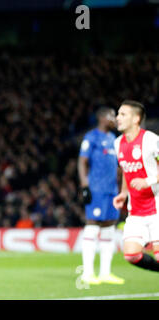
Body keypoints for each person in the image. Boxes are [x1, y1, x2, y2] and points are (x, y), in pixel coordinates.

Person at [78, 107, 125, 285]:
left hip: (111, 190)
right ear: (103, 118)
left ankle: (105, 273)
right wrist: (84, 186)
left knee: (108, 228)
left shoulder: (113, 139)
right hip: (96, 189)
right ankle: (87, 273)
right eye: (112, 115)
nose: (115, 119)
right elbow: (82, 162)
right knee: (92, 225)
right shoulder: (92, 137)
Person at [113, 100, 159, 273]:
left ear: (136, 119)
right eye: (118, 114)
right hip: (136, 211)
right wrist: (124, 193)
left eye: (123, 114)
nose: (118, 118)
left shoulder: (151, 140)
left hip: (157, 208)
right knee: (131, 255)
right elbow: (126, 169)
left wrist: (149, 180)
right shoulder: (118, 143)